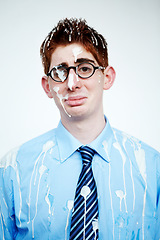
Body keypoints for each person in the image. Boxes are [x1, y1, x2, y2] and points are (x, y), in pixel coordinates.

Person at [0, 18, 160, 240]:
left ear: (108, 77)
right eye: (60, 71)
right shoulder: (12, 171)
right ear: (48, 86)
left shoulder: (152, 168)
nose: (72, 83)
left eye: (85, 68)